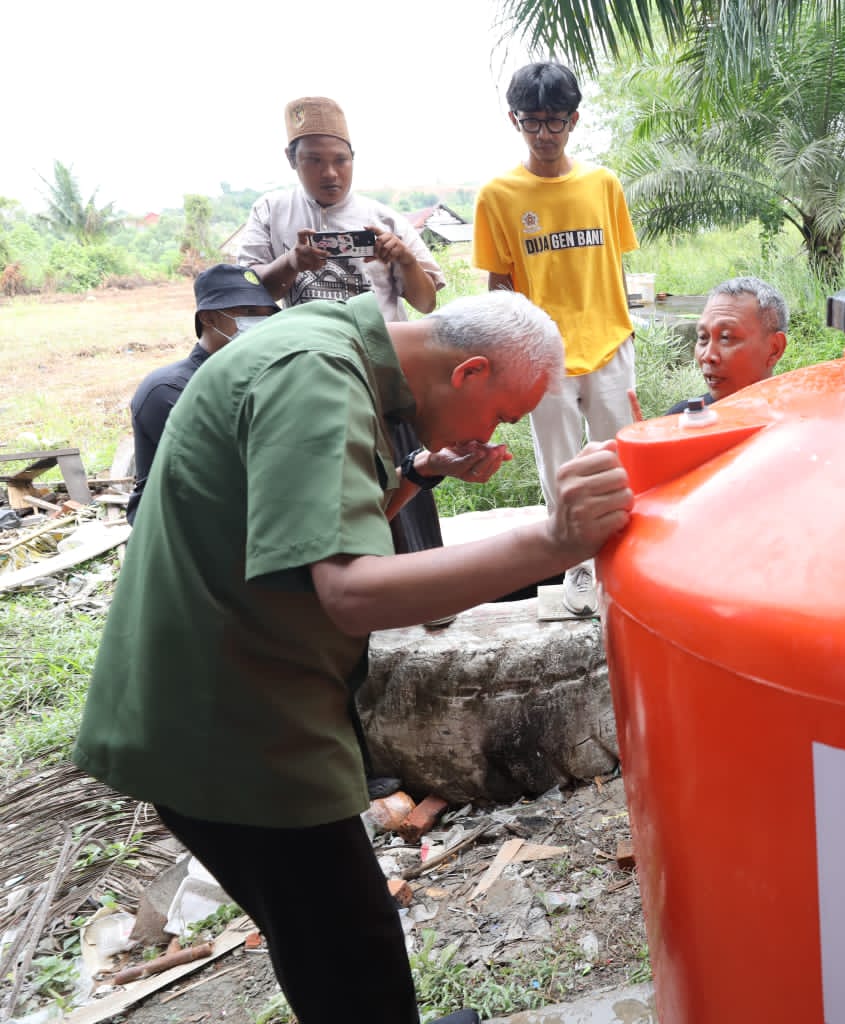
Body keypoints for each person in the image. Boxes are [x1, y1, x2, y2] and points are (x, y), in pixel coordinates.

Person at [72, 290, 632, 1024]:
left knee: (330, 935)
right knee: (349, 953)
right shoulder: (316, 378)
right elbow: (349, 591)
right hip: (228, 729)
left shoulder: (328, 342)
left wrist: (420, 473)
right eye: (502, 414)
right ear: (466, 372)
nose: (499, 431)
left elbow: (306, 540)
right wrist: (552, 543)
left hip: (232, 702)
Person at [236, 96, 450, 559]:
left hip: (383, 384)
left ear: (354, 160)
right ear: (291, 161)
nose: (330, 173)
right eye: (313, 161)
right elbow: (246, 293)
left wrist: (405, 258)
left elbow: (426, 299)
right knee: (326, 498)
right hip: (305, 383)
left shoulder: (383, 219)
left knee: (403, 486)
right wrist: (292, 261)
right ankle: (351, 599)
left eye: (340, 160)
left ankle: (422, 587)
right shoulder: (272, 212)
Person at [473, 62, 639, 616]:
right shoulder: (498, 195)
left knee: (621, 454)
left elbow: (611, 264)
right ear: (513, 120)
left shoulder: (603, 184)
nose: (544, 135)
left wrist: (624, 329)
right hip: (543, 355)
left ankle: (630, 555)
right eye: (532, 122)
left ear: (574, 120)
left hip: (610, 343)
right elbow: (499, 285)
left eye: (555, 122)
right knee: (561, 464)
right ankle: (579, 563)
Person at [126, 265, 278, 525]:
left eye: (267, 314)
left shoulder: (260, 378)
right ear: (208, 318)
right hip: (175, 526)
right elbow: (213, 475)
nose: (260, 323)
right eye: (248, 312)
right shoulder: (168, 390)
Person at [665, 276, 788, 415]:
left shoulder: (801, 423)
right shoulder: (682, 420)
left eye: (726, 337)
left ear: (774, 349)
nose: (708, 356)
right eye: (703, 338)